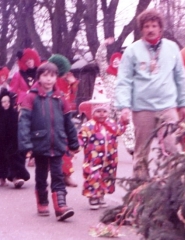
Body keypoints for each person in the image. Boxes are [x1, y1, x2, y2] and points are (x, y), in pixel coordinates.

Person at [115, 9, 185, 180]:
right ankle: (139, 187)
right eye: (147, 26)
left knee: (171, 147)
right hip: (142, 108)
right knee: (142, 149)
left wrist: (184, 103)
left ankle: (172, 185)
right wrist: (124, 107)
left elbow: (180, 76)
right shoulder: (132, 51)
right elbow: (123, 80)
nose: (150, 29)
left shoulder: (172, 48)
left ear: (160, 28)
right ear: (141, 29)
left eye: (154, 26)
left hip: (168, 107)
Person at [18, 62, 79, 221]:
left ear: (56, 78)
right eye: (45, 75)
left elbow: (68, 123)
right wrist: (26, 145)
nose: (48, 79)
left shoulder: (61, 99)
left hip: (58, 143)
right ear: (39, 78)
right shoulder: (31, 97)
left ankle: (61, 207)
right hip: (39, 144)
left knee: (58, 175)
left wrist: (73, 142)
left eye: (52, 76)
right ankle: (42, 201)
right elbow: (24, 122)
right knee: (41, 175)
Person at [78, 78, 128, 210]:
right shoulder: (88, 126)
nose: (102, 114)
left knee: (106, 175)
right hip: (94, 158)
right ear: (93, 112)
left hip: (110, 158)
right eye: (98, 111)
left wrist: (123, 122)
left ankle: (101, 195)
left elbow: (118, 131)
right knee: (94, 175)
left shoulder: (111, 124)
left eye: (104, 111)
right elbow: (81, 137)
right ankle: (93, 196)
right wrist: (75, 146)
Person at [96, 37, 135, 155]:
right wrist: (103, 45)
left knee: (128, 127)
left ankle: (132, 149)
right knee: (108, 128)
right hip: (108, 106)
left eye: (119, 60)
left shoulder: (126, 74)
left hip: (122, 105)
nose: (116, 62)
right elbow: (100, 59)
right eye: (114, 60)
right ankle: (108, 149)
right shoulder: (106, 72)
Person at [48, 54, 79, 187]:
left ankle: (65, 175)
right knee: (56, 149)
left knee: (66, 148)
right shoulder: (55, 82)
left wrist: (72, 84)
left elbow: (71, 97)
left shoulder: (66, 81)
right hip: (52, 119)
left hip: (65, 118)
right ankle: (60, 175)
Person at [10, 48, 41, 167]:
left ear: (35, 59)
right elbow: (12, 90)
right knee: (24, 129)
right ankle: (25, 153)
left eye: (31, 59)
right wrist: (15, 101)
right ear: (23, 62)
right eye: (26, 60)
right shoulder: (18, 75)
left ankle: (34, 155)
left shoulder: (40, 73)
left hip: (37, 103)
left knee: (37, 129)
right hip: (23, 105)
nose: (29, 62)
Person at [0, 68, 30, 188]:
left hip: (13, 140)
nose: (5, 104)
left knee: (14, 156)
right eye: (3, 102)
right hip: (1, 139)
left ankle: (16, 177)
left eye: (7, 102)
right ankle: (2, 176)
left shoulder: (14, 114)